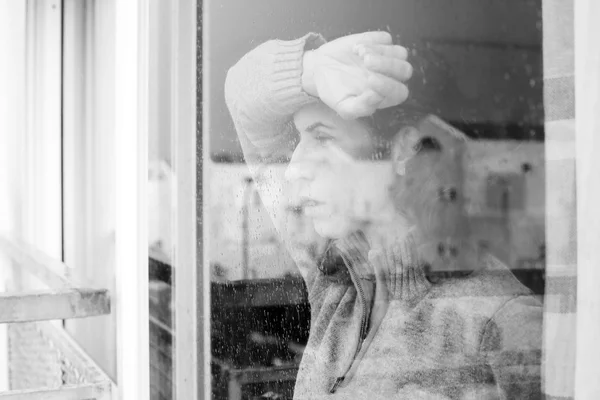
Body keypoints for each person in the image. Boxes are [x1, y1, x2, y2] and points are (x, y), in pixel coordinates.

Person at [225, 31, 542, 399]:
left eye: (322, 137)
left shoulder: (500, 320)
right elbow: (241, 97)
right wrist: (309, 71)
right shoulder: (334, 283)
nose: (294, 168)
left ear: (405, 148)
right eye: (298, 142)